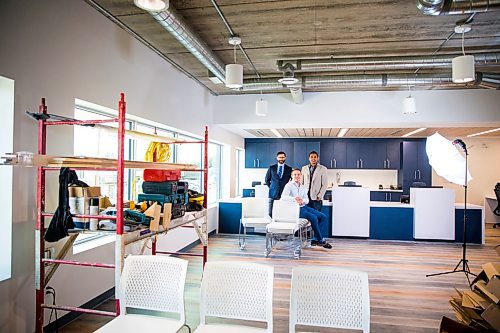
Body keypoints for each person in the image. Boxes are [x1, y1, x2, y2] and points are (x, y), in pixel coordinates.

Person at [281, 168, 332, 249]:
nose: (297, 176)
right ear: (292, 176)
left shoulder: (303, 187)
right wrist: (295, 199)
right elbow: (283, 197)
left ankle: (315, 239)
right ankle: (321, 240)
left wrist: (302, 201)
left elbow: (307, 200)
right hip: (295, 209)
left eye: (298, 174)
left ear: (301, 176)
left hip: (303, 206)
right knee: (314, 218)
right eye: (295, 174)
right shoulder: (289, 185)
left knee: (323, 217)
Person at [265, 151, 292, 217]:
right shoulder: (271, 168)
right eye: (280, 157)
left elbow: (292, 181)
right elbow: (267, 180)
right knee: (271, 213)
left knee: (283, 212)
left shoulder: (289, 169)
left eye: (283, 157)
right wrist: (272, 187)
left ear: (285, 158)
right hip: (273, 193)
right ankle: (273, 226)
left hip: (284, 194)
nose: (281, 159)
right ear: (277, 158)